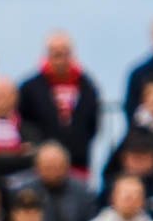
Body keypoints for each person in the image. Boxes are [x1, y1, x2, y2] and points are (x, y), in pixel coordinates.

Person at [19, 30, 102, 173]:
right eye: (56, 54)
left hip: (78, 162)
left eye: (64, 53)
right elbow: (23, 121)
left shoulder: (87, 87)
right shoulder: (30, 87)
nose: (61, 59)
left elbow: (93, 124)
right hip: (41, 165)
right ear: (47, 55)